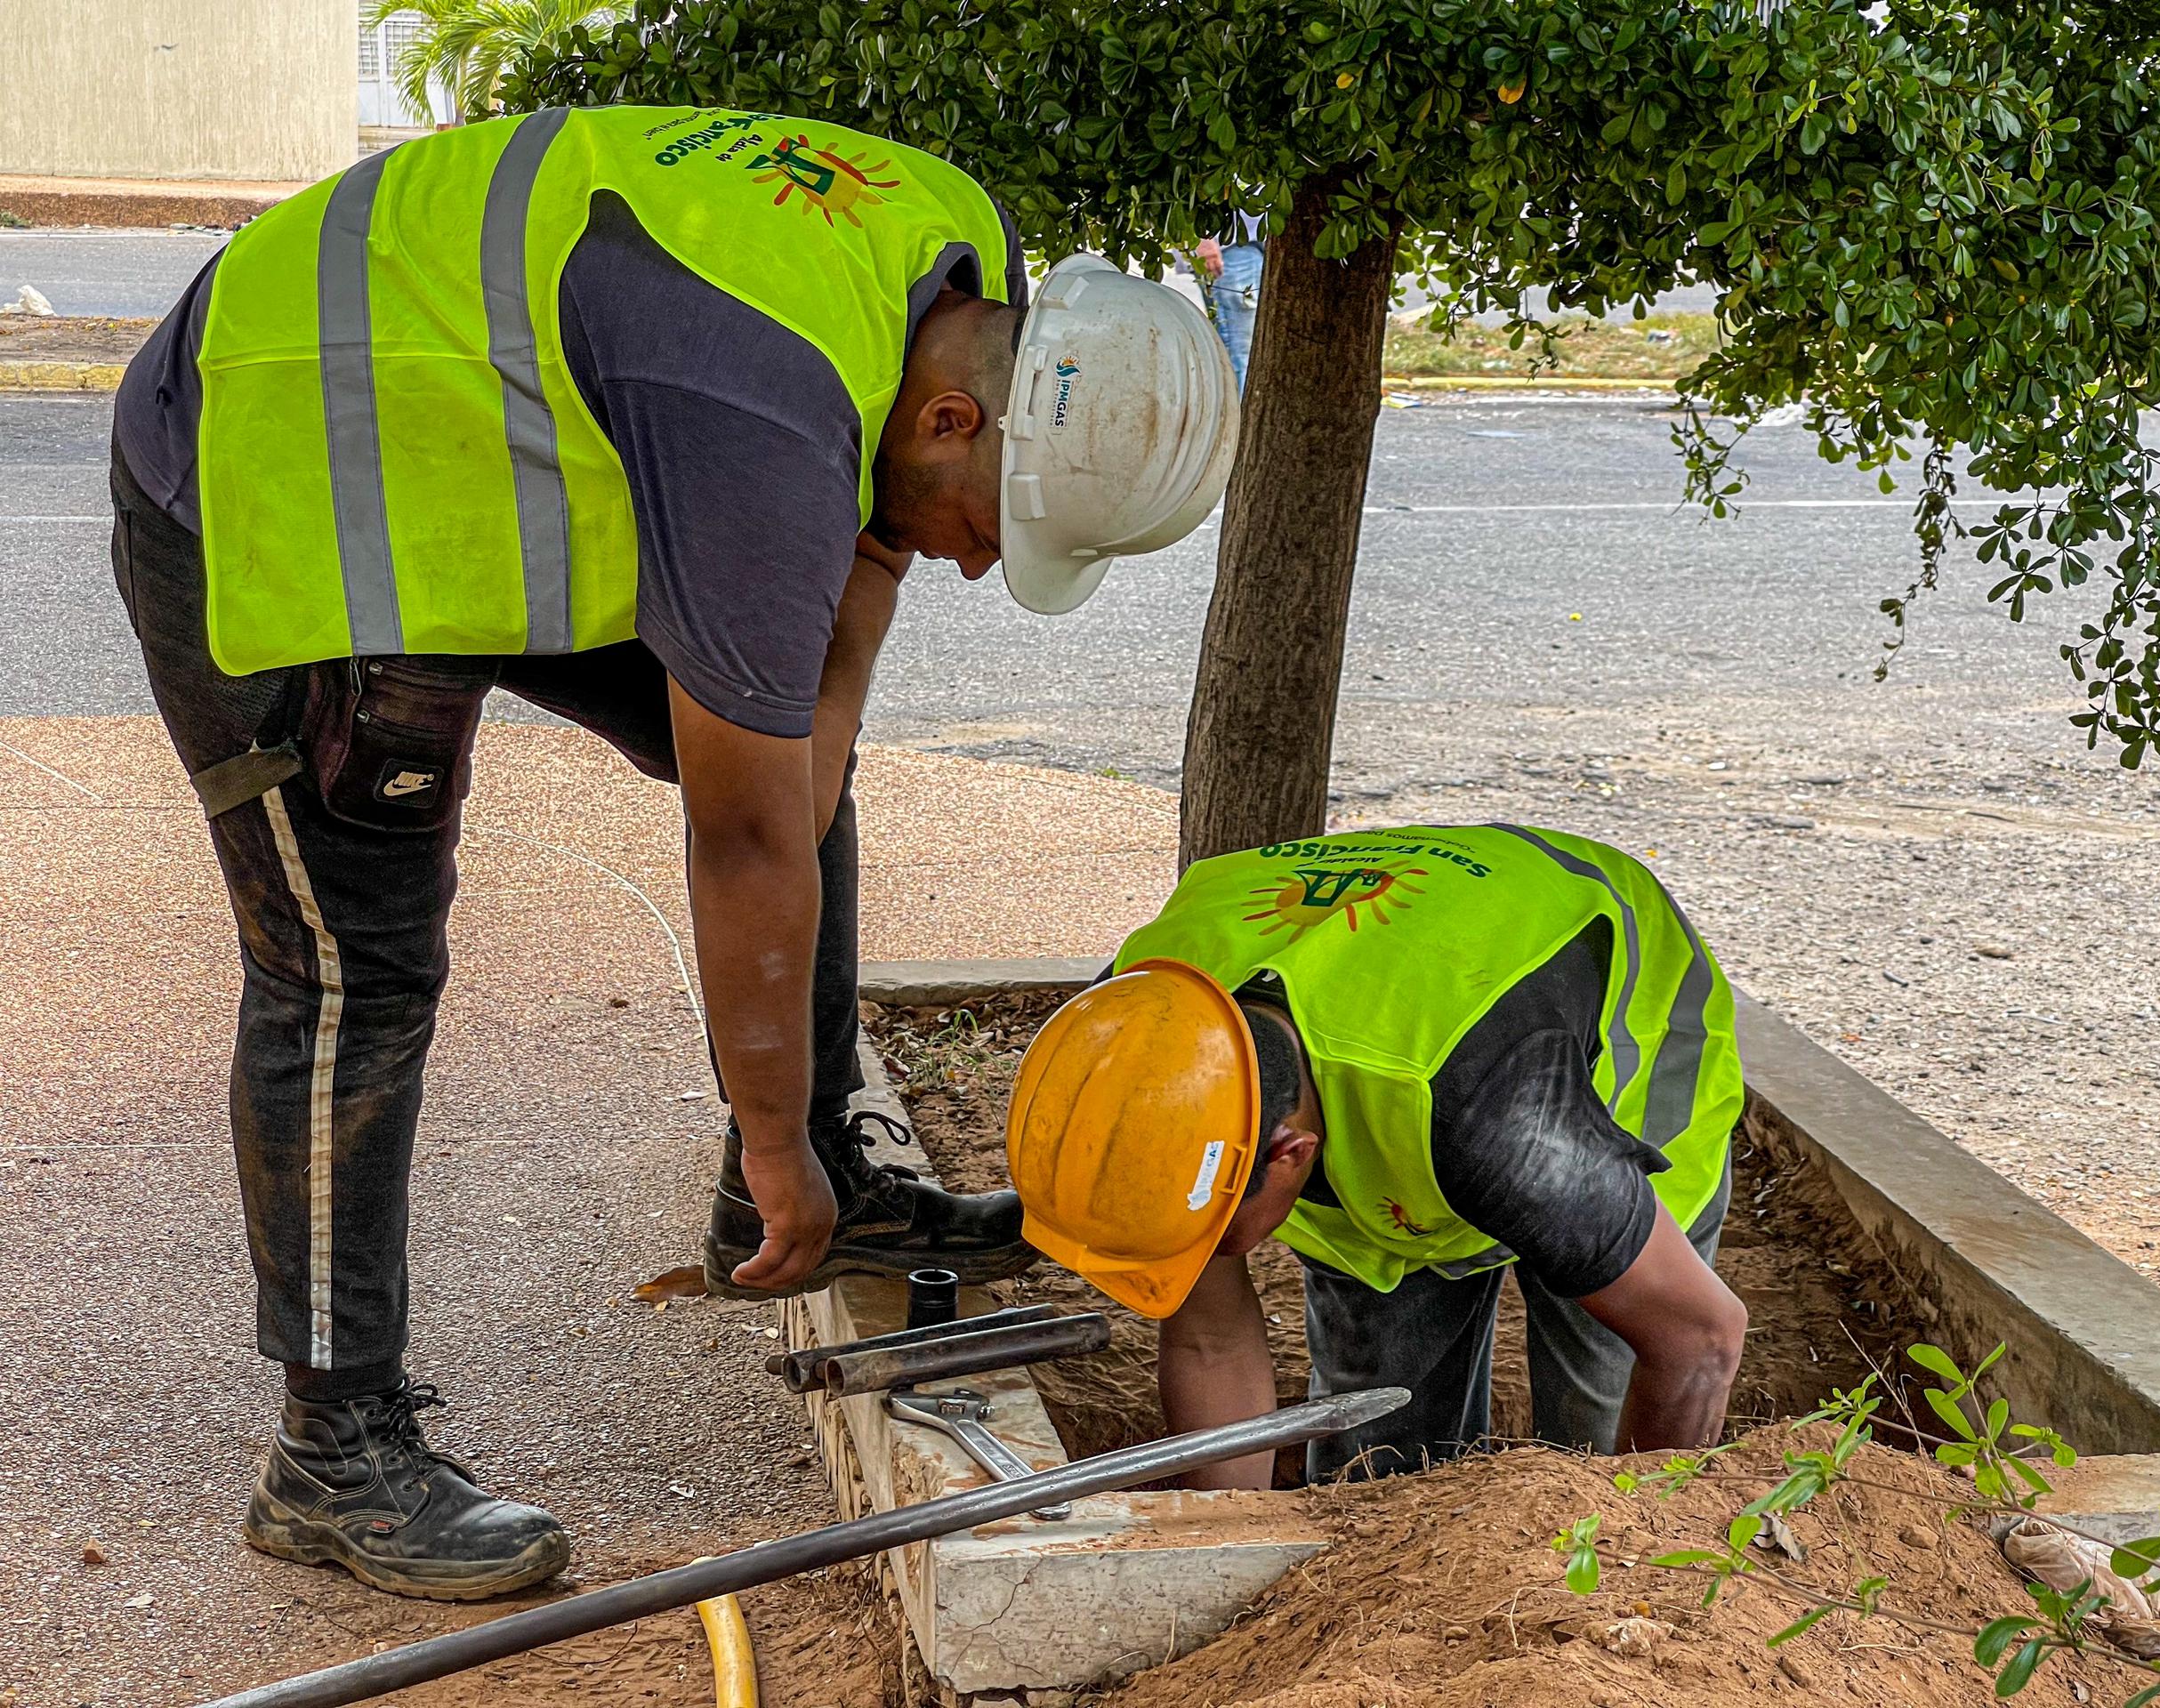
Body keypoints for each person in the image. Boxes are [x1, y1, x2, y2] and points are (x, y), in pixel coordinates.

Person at [109, 106, 1238, 1600]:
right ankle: (331, 1452)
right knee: (352, 965)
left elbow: (841, 626)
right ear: (957, 420)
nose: (977, 563)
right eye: (991, 532)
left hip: (487, 422)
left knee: (793, 757)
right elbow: (744, 833)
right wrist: (768, 1131)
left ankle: (818, 1160)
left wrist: (813, 759)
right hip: (282, 465)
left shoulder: (964, 279)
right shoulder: (770, 406)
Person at [1005, 823, 1748, 1489]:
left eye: (1207, 1231)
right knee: (1381, 1458)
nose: (1197, 1254)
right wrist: (1228, 1546)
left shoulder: (1504, 1124)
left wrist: (1647, 1536)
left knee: (1597, 1418)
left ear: (1292, 1154)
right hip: (1398, 1068)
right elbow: (1208, 1337)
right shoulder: (1137, 1042)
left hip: (1595, 1048)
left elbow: (1701, 1337)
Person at [1195, 213, 1266, 391]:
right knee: (1241, 353)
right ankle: (1239, 417)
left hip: (1246, 243)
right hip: (1232, 247)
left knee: (1238, 353)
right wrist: (1204, 238)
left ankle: (1234, 415)